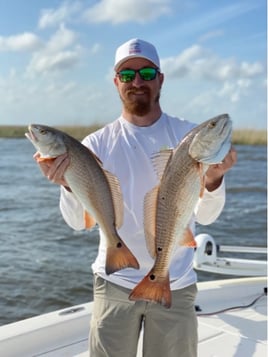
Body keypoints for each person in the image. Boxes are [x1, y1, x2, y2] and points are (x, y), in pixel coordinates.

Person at [34, 38, 237, 357]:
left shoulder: (190, 136)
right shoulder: (95, 144)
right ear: (116, 83)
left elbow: (207, 217)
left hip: (176, 282)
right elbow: (76, 222)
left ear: (161, 78)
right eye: (127, 75)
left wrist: (214, 179)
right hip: (113, 282)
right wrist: (68, 184)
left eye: (145, 72)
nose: (137, 81)